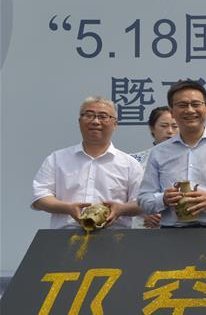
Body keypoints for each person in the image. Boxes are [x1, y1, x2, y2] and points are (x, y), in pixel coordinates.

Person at [137, 79, 206, 227]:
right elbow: (144, 198)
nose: (190, 110)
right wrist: (163, 199)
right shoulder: (159, 152)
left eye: (196, 104)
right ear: (172, 111)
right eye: (182, 105)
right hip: (172, 235)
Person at [32, 96, 142, 228]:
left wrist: (121, 209)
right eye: (89, 115)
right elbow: (40, 197)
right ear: (79, 121)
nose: (95, 121)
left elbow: (142, 202)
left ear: (115, 124)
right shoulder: (57, 159)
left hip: (115, 238)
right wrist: (67, 208)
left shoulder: (129, 164)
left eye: (103, 116)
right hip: (64, 238)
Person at [132, 106, 179, 228]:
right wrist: (144, 213)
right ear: (152, 128)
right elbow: (124, 198)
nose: (170, 131)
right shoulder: (134, 161)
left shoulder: (191, 160)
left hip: (179, 230)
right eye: (164, 126)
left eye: (175, 126)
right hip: (142, 230)